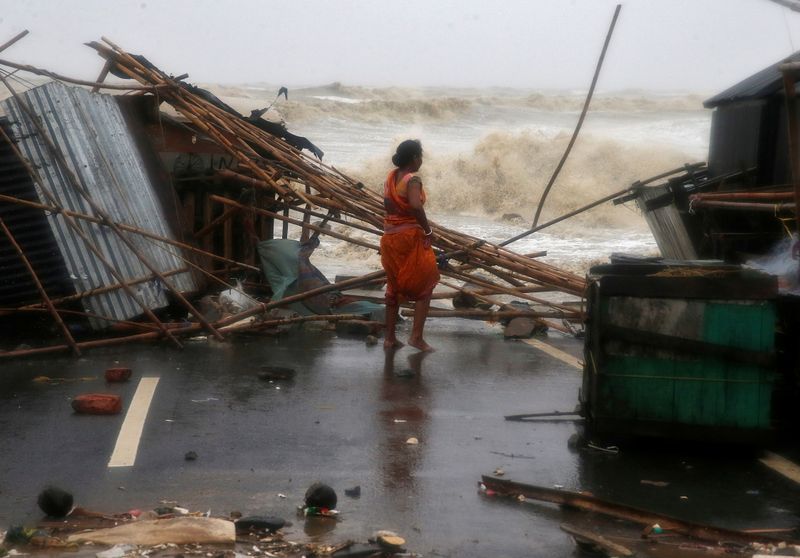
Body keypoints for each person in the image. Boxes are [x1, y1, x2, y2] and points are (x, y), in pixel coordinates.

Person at [380, 139, 440, 351]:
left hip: (389, 238)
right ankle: (416, 337)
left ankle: (389, 338)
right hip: (409, 238)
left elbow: (388, 206)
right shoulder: (412, 180)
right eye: (420, 156)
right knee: (427, 282)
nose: (421, 160)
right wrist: (428, 230)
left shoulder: (390, 178)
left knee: (393, 285)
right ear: (415, 157)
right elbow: (415, 205)